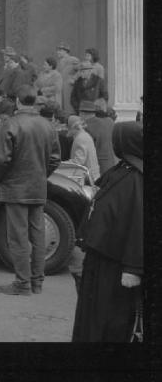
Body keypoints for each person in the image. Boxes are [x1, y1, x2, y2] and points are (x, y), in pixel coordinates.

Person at [72, 121, 143, 342]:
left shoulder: (138, 179)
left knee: (110, 322)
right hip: (100, 259)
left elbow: (139, 225)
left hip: (116, 266)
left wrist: (133, 268)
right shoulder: (123, 170)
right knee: (92, 319)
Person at [0, 85, 61, 296]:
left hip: (15, 187)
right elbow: (55, 159)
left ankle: (22, 283)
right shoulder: (47, 125)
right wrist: (41, 174)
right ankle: (37, 282)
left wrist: (0, 179)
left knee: (18, 237)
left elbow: (2, 159)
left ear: (19, 102)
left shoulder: (11, 124)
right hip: (37, 186)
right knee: (37, 235)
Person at [79, 100, 117, 175]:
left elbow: (87, 151)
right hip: (113, 163)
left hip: (99, 167)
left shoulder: (86, 127)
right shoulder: (110, 121)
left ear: (82, 114)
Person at [67, 115, 100, 184]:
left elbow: (79, 161)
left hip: (87, 178)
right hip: (92, 175)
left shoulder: (80, 139)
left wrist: (63, 164)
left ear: (73, 127)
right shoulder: (85, 135)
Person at [56, 42, 80, 116]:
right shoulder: (59, 61)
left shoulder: (72, 59)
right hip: (61, 86)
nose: (58, 52)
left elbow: (81, 69)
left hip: (69, 86)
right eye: (58, 50)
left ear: (65, 51)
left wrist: (74, 78)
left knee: (69, 105)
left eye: (60, 50)